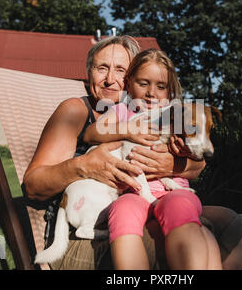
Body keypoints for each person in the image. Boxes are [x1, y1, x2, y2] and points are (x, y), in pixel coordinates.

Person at [23, 35, 242, 270]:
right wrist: (83, 165)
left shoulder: (151, 115)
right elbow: (32, 186)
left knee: (232, 224)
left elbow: (197, 162)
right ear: (88, 71)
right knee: (189, 234)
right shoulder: (76, 111)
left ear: (130, 78)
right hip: (85, 230)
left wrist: (170, 164)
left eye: (120, 70)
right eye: (101, 68)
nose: (110, 79)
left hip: (145, 200)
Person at [83, 48, 222, 269]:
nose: (151, 93)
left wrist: (182, 153)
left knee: (178, 207)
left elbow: (199, 156)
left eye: (160, 86)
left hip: (173, 190)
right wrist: (127, 129)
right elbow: (91, 134)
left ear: (170, 90)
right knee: (123, 210)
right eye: (143, 83)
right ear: (128, 84)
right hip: (133, 192)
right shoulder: (122, 112)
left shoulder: (178, 114)